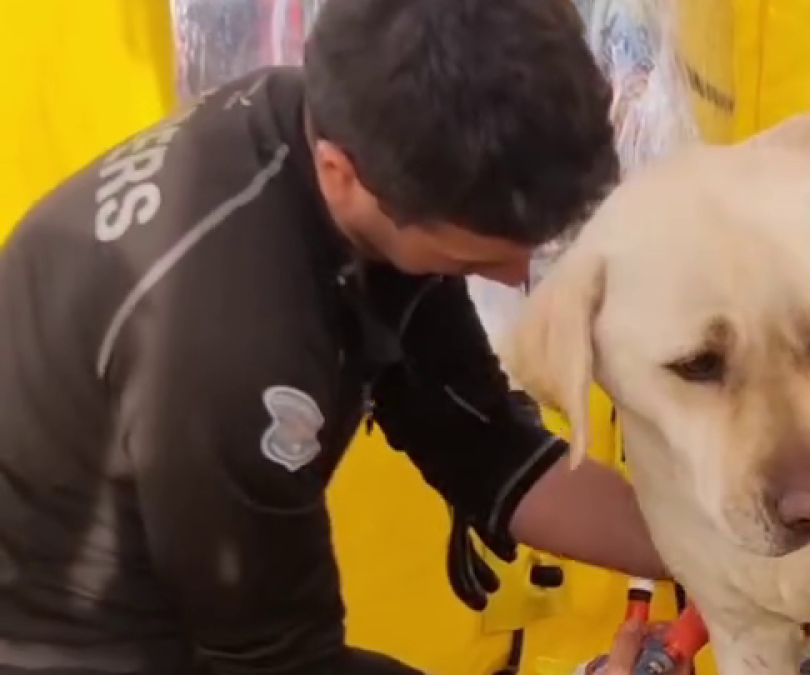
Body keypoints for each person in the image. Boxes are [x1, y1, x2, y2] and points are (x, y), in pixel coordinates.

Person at [0, 0, 670, 673]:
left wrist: (720, 554)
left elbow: (487, 445)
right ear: (340, 176)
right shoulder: (234, 346)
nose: (516, 273)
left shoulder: (360, 131)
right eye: (471, 261)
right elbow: (280, 664)